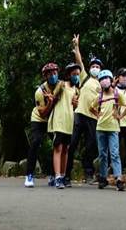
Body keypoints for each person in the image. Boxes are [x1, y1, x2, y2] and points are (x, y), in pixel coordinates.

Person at [64, 34, 102, 185]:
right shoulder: (85, 77)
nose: (95, 68)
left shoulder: (103, 84)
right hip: (79, 114)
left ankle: (89, 173)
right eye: (93, 66)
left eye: (98, 67)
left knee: (90, 146)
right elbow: (79, 62)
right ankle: (66, 175)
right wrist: (76, 46)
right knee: (72, 144)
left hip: (93, 118)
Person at [24, 62, 61, 188]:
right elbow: (43, 113)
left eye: (55, 73)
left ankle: (54, 175)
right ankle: (29, 175)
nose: (53, 76)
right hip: (39, 119)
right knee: (36, 142)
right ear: (45, 76)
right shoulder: (40, 91)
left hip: (53, 119)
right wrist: (50, 102)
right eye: (50, 74)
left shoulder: (61, 86)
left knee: (57, 144)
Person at [91, 70, 126, 191]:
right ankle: (103, 178)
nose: (104, 81)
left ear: (111, 80)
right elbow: (91, 107)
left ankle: (118, 178)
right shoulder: (99, 96)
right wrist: (98, 115)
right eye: (101, 79)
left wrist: (120, 116)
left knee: (114, 153)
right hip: (100, 128)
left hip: (113, 128)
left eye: (106, 78)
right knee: (102, 154)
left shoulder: (117, 94)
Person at [48, 61, 81, 189]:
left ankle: (62, 175)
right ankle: (57, 177)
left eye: (78, 74)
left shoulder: (76, 90)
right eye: (74, 74)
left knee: (66, 149)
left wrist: (75, 103)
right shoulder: (61, 84)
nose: (76, 76)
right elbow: (53, 97)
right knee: (58, 148)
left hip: (69, 122)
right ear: (68, 75)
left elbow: (74, 106)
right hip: (59, 121)